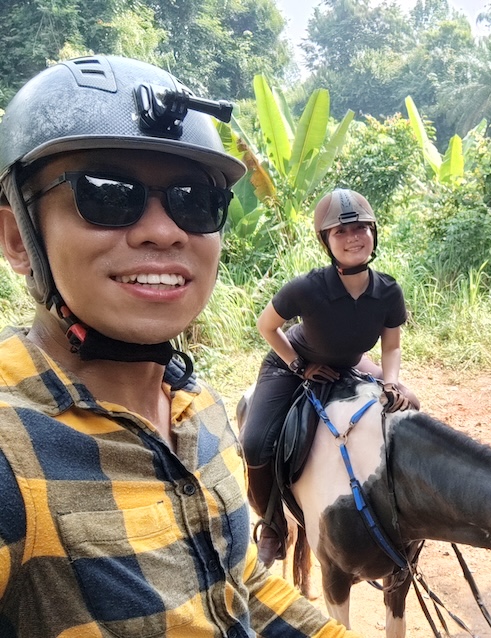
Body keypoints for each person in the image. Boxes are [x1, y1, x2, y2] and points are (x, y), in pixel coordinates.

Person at [0, 54, 359, 637]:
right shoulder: (10, 453)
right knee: (267, 436)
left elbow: (238, 584)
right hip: (295, 369)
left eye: (196, 200)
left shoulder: (198, 410)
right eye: (109, 194)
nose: (163, 230)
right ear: (19, 240)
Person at [240, 188, 420, 568]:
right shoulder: (307, 287)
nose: (353, 238)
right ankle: (272, 524)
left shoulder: (388, 290)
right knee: (256, 443)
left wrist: (391, 382)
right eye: (340, 232)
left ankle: (400, 505)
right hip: (291, 363)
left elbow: (390, 347)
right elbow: (267, 326)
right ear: (326, 241)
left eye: (361, 229)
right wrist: (298, 367)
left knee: (411, 404)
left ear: (374, 232)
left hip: (351, 362)